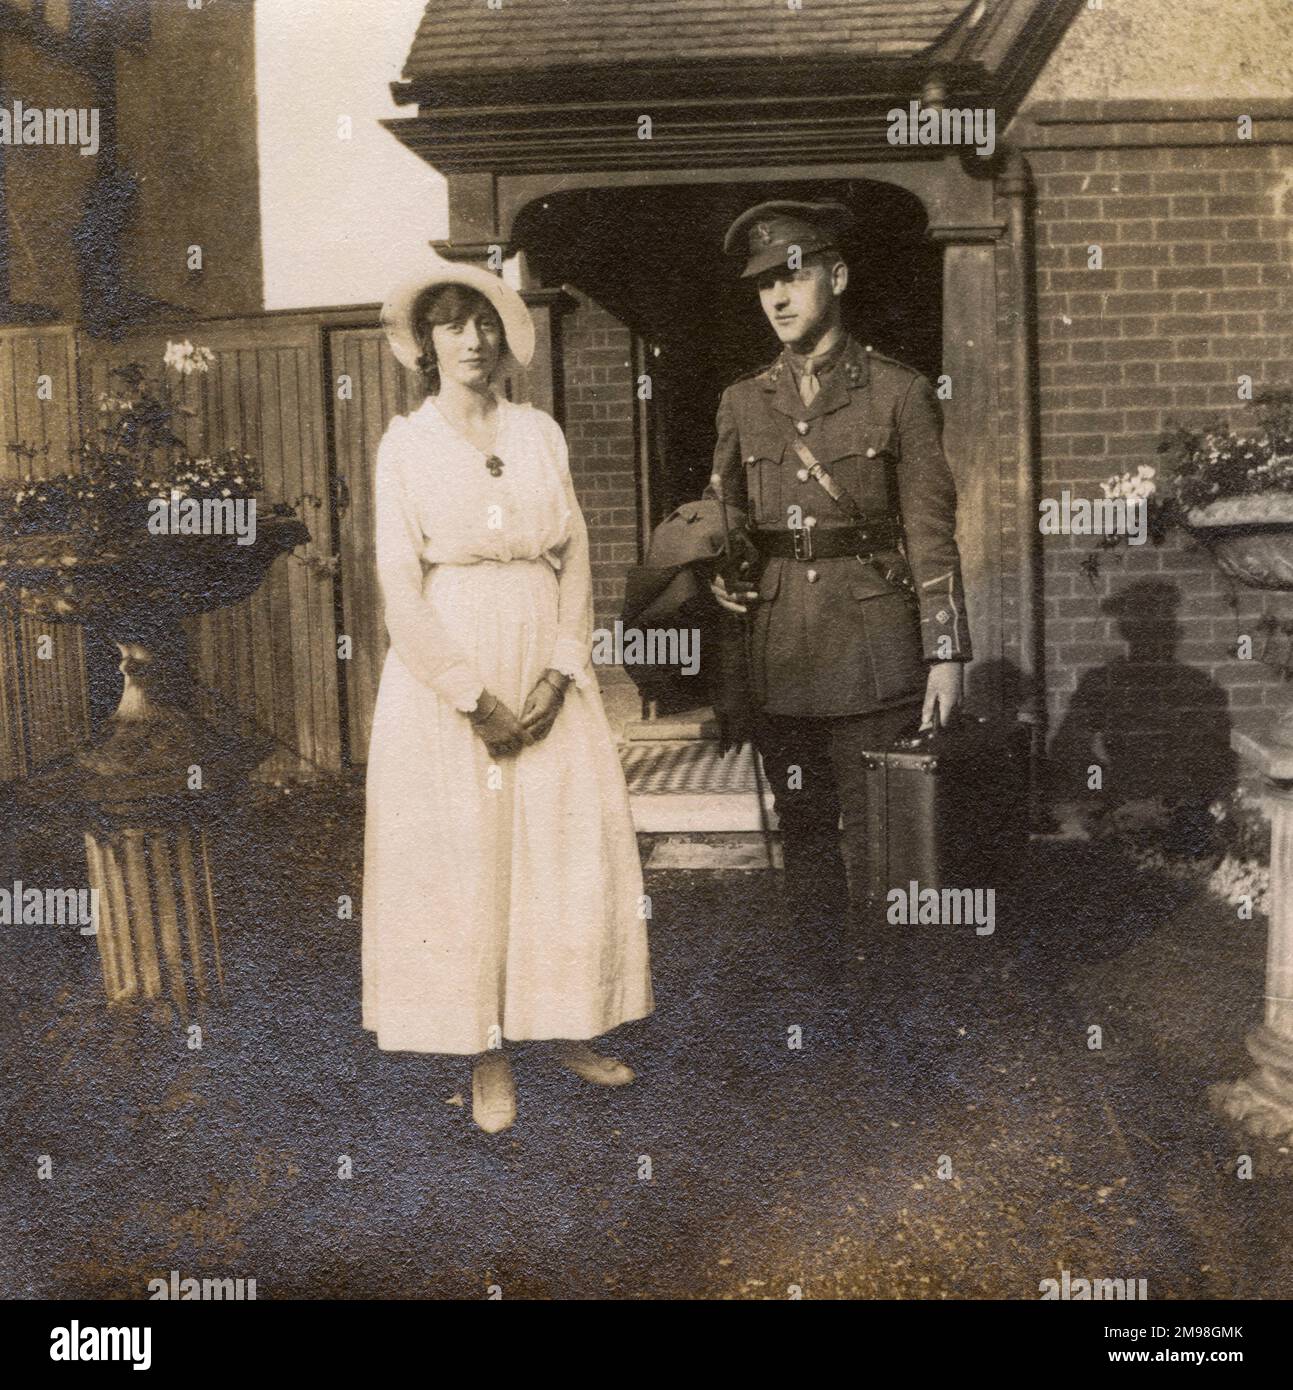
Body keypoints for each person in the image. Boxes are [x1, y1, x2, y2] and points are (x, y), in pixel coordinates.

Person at [362, 256, 653, 1133]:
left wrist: (563, 670)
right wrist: (470, 697)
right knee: (470, 859)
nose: (473, 339)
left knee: (557, 850)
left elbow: (574, 556)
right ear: (425, 343)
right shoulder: (406, 445)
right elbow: (397, 585)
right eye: (452, 323)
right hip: (452, 672)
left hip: (543, 667)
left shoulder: (538, 434)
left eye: (485, 322)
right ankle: (485, 1051)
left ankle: (563, 1020)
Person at [706, 200, 971, 940]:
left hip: (873, 651)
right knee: (804, 830)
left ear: (837, 276)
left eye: (792, 277)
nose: (779, 298)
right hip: (779, 651)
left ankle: (892, 1002)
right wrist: (717, 570)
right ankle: (820, 996)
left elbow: (930, 532)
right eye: (763, 286)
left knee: (885, 837)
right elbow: (718, 512)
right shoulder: (741, 402)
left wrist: (944, 652)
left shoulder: (898, 392)